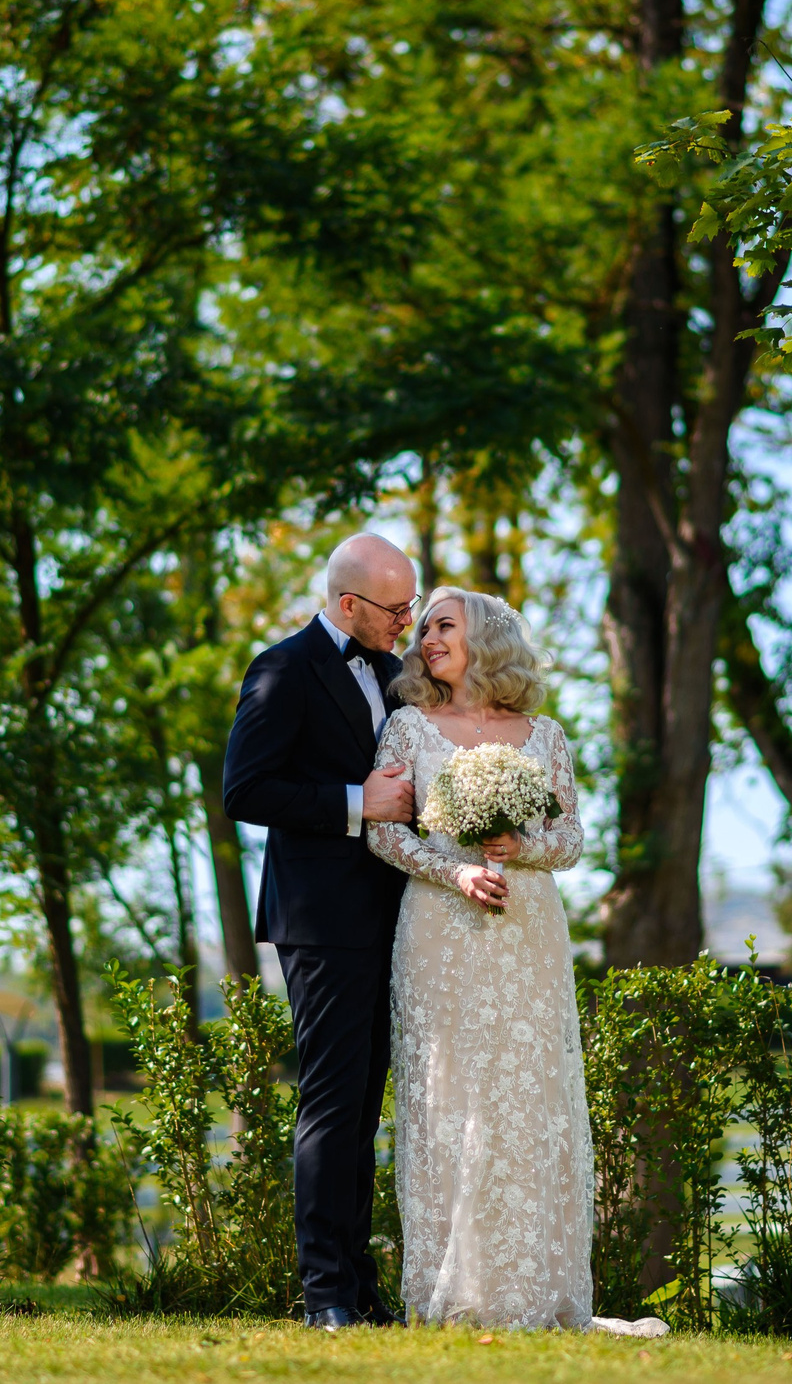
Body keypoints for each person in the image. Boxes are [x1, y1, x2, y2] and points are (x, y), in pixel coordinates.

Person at [364, 587, 599, 1329]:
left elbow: (572, 839)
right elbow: (384, 835)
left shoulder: (545, 735)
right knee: (449, 1095)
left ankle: (533, 1289)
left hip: (526, 929)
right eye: (424, 627)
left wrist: (520, 847)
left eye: (443, 625)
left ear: (485, 636)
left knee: (526, 1096)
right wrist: (457, 868)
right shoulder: (408, 727)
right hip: (440, 924)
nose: (427, 638)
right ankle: (456, 1285)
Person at [221, 532, 420, 1329]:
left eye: (413, 603)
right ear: (347, 604)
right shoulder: (282, 667)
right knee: (333, 1106)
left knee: (365, 1107)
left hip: (394, 917)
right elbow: (246, 787)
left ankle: (362, 1285)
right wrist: (353, 803)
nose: (407, 619)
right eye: (395, 607)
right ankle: (325, 1293)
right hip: (322, 922)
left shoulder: (395, 674)